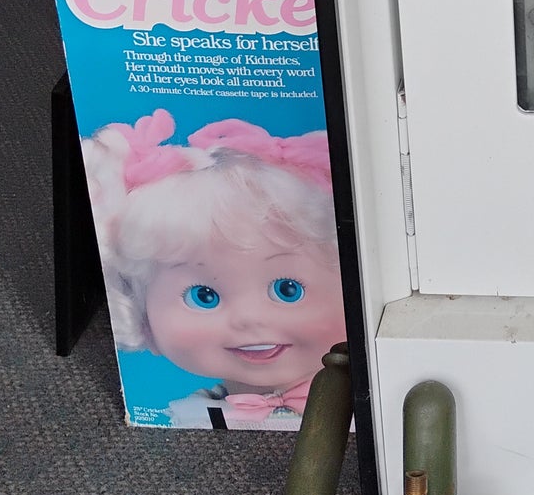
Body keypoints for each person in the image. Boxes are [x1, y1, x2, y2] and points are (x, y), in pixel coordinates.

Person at [83, 109, 345, 429]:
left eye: (287, 289)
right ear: (140, 312)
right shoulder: (185, 413)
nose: (249, 318)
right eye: (203, 296)